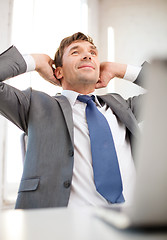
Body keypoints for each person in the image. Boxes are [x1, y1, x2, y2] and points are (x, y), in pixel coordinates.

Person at [0, 32, 146, 209]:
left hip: (128, 225)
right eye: (75, 52)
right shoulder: (34, 105)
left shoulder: (123, 107)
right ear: (58, 71)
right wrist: (37, 61)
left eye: (93, 53)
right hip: (62, 225)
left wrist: (119, 69)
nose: (87, 55)